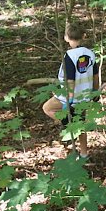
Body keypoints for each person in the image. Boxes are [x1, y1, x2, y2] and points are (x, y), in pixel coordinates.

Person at [41, 22, 100, 159]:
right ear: (84, 36)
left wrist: (70, 99)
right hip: (85, 96)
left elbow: (70, 81)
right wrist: (95, 93)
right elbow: (95, 76)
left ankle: (70, 127)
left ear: (66, 37)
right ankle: (84, 154)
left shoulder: (70, 56)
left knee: (47, 108)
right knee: (81, 122)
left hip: (71, 97)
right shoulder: (90, 54)